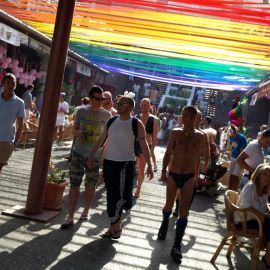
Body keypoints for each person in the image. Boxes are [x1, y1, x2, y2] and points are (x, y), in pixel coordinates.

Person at [87, 94, 153, 239]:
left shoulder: (136, 123)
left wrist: (149, 164)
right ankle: (114, 227)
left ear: (129, 107)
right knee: (111, 195)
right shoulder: (111, 120)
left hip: (126, 164)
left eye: (122, 103)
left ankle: (115, 227)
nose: (118, 104)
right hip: (109, 162)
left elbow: (143, 145)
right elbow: (102, 139)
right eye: (118, 102)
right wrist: (92, 155)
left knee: (120, 197)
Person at [158, 105, 209, 264]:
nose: (183, 117)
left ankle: (176, 245)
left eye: (186, 115)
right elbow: (167, 153)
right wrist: (163, 171)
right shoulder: (175, 132)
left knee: (184, 210)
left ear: (194, 118)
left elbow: (205, 155)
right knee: (168, 205)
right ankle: (165, 222)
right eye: (182, 114)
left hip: (189, 176)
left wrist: (204, 165)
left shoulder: (201, 136)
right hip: (173, 174)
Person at [61, 85, 111, 229]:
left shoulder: (107, 115)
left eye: (101, 99)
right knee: (74, 184)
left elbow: (106, 137)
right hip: (78, 152)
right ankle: (70, 215)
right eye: (97, 99)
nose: (100, 101)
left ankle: (86, 210)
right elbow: (73, 131)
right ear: (90, 99)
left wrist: (102, 154)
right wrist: (79, 133)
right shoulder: (81, 111)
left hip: (94, 156)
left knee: (90, 185)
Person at [234, 163, 270, 268]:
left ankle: (268, 256)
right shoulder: (250, 187)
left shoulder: (264, 192)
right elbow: (246, 206)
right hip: (244, 221)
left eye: (269, 175)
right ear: (258, 174)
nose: (267, 177)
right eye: (264, 174)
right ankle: (268, 257)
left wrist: (266, 210)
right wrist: (262, 216)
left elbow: (262, 207)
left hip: (256, 220)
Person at [0, 73, 25, 174]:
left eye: (12, 83)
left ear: (15, 85)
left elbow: (20, 125)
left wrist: (16, 143)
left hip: (7, 141)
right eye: (7, 82)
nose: (10, 85)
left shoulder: (20, 103)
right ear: (3, 84)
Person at [135, 98, 159, 198]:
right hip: (135, 145)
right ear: (140, 105)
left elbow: (154, 137)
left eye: (146, 105)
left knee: (141, 168)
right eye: (143, 104)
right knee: (133, 167)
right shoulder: (136, 117)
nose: (144, 106)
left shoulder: (154, 119)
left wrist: (151, 149)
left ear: (150, 106)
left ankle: (138, 190)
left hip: (146, 146)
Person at [228, 125, 247, 190]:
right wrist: (230, 154)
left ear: (235, 131)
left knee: (235, 175)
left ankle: (234, 189)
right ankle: (230, 189)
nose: (229, 132)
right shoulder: (231, 137)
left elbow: (243, 150)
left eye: (231, 131)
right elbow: (232, 147)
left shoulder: (242, 138)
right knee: (231, 174)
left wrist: (241, 160)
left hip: (239, 159)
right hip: (233, 157)